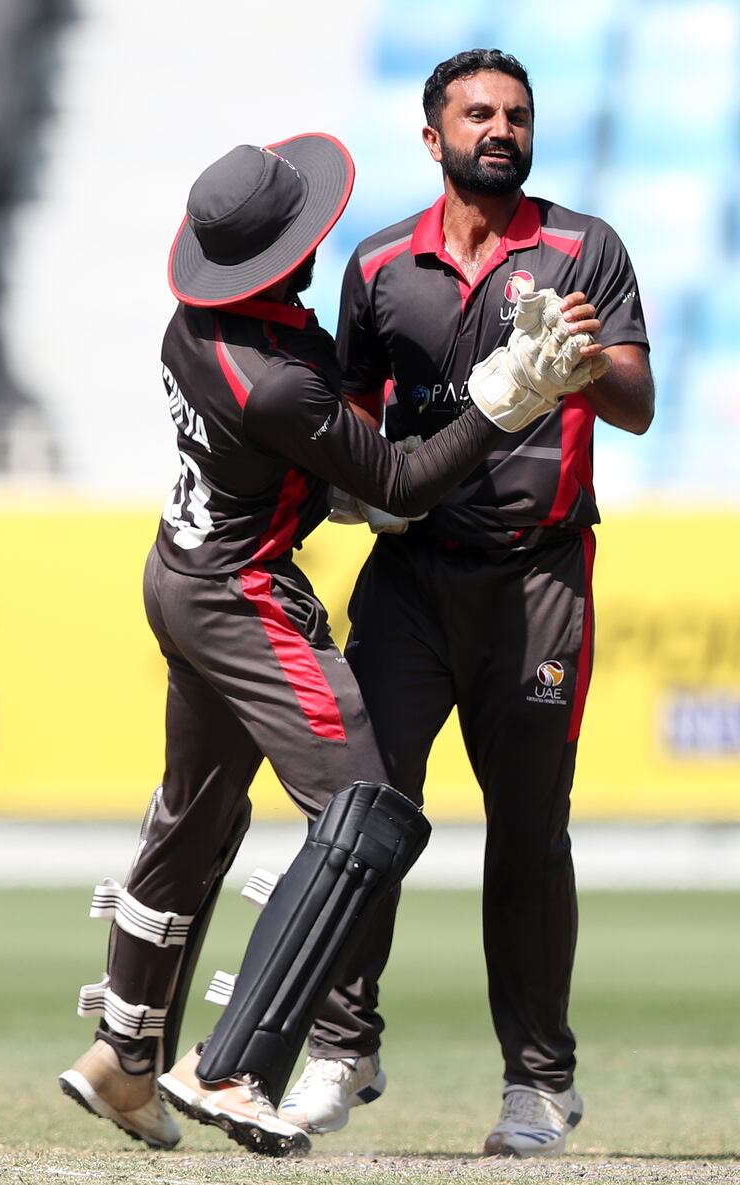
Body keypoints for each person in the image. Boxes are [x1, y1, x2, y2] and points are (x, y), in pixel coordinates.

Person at [58, 132, 601, 1158]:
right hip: (240, 596)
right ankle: (232, 1066)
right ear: (282, 255)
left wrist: (342, 484)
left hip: (180, 572)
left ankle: (123, 1053)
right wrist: (503, 397)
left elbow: (327, 464)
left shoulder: (196, 326)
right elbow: (397, 482)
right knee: (366, 814)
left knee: (197, 813)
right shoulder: (276, 378)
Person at [279, 50, 654, 1158]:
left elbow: (635, 403)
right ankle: (342, 1048)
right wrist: (356, 495)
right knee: (361, 817)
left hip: (538, 581)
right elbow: (344, 420)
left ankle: (537, 1085)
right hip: (409, 578)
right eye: (476, 114)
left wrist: (579, 362)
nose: (498, 128)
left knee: (528, 837)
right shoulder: (381, 264)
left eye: (515, 116)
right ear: (431, 134)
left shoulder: (584, 249)